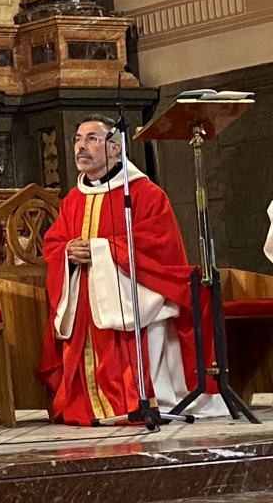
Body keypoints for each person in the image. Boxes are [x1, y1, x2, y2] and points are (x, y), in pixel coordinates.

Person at [39, 114, 224, 425]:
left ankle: (141, 400)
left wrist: (101, 250)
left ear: (115, 148)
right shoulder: (72, 199)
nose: (81, 147)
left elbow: (159, 244)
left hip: (134, 295)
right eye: (78, 140)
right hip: (85, 300)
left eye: (92, 139)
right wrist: (67, 251)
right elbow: (54, 242)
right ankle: (91, 406)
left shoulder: (145, 193)